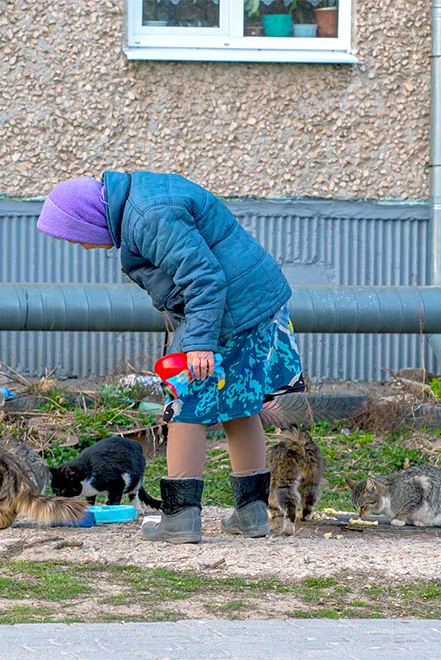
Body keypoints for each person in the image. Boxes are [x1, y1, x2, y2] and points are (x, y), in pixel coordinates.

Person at [36, 172, 306, 543]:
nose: (80, 246)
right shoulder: (141, 203)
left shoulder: (147, 216)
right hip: (253, 302)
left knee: (183, 405)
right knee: (241, 405)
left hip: (229, 311)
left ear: (89, 219)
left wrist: (198, 343)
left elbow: (204, 277)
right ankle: (252, 514)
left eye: (75, 236)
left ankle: (180, 519)